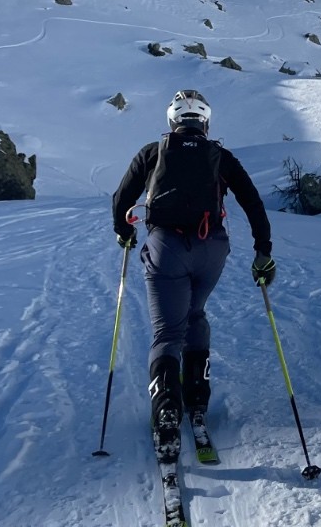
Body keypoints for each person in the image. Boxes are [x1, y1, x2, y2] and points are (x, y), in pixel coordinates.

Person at [111, 89, 275, 444]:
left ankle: (167, 404)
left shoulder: (153, 153)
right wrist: (263, 252)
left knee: (168, 331)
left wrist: (124, 232)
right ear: (205, 122)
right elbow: (253, 204)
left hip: (167, 246)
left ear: (172, 121)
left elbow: (121, 199)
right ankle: (197, 395)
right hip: (212, 249)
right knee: (195, 313)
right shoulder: (221, 156)